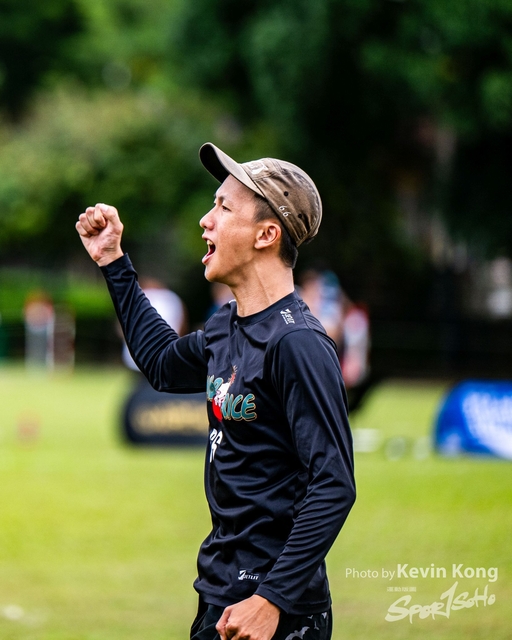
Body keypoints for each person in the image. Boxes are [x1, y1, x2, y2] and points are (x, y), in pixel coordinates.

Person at [75, 143, 356, 640]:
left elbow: (333, 483)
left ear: (266, 235)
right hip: (220, 590)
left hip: (275, 610)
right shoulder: (228, 325)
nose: (206, 221)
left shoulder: (298, 344)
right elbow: (162, 364)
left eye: (224, 208)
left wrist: (271, 600)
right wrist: (113, 261)